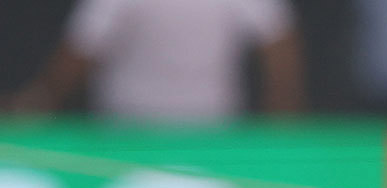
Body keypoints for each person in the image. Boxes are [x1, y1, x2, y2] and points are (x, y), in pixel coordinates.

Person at [7, 0, 303, 121]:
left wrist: (282, 117)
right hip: (129, 128)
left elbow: (81, 52)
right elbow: (82, 50)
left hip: (210, 132)